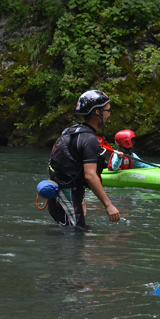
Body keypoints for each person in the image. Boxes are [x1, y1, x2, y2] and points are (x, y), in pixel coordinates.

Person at [46, 90, 121, 228]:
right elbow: (90, 175)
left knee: (76, 236)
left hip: (59, 196)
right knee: (76, 239)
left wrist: (80, 199)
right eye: (108, 110)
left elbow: (62, 166)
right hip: (68, 197)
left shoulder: (71, 132)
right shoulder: (89, 139)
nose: (109, 114)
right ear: (98, 112)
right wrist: (108, 205)